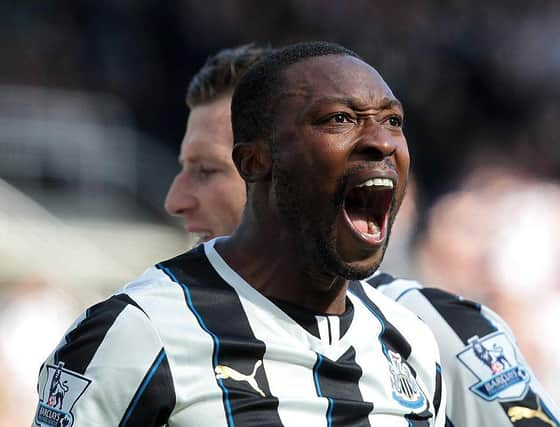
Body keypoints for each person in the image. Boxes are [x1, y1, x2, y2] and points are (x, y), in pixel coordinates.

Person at [34, 42, 446, 426]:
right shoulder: (141, 332)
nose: (381, 142)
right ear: (253, 162)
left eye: (393, 121)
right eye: (340, 118)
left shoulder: (411, 343)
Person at [165, 45, 560, 426]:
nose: (176, 199)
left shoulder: (437, 332)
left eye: (207, 170)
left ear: (261, 164)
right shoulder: (152, 330)